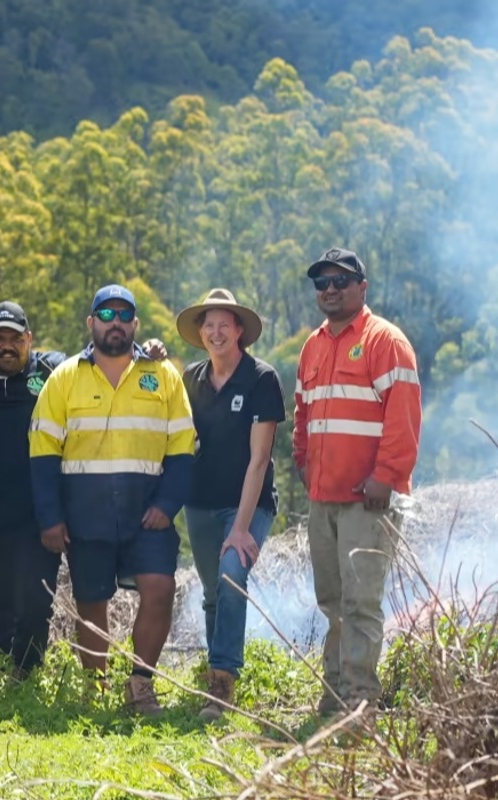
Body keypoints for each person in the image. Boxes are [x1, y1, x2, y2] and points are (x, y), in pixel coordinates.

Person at [29, 284, 195, 717]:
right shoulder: (64, 377)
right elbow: (43, 452)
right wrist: (50, 518)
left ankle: (141, 687)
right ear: (91, 323)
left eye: (124, 315)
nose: (115, 322)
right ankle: (95, 691)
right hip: (86, 513)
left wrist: (168, 505)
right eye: (106, 314)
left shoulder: (162, 375)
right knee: (91, 600)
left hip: (148, 512)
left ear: (136, 325)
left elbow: (182, 448)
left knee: (161, 589)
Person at [293, 248, 421, 720]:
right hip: (322, 498)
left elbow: (404, 416)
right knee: (332, 602)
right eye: (321, 283)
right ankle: (335, 697)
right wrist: (303, 461)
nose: (329, 290)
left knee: (360, 601)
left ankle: (360, 701)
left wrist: (385, 478)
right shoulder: (313, 345)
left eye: (340, 281)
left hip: (367, 502)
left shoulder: (385, 340)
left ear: (361, 287)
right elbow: (303, 413)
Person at [176, 289, 284, 720]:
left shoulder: (261, 379)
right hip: (200, 503)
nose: (216, 332)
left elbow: (259, 460)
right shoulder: (190, 379)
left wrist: (240, 529)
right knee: (212, 591)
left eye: (224, 324)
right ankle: (214, 677)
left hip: (249, 504)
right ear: (200, 333)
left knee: (232, 575)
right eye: (208, 325)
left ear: (240, 330)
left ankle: (222, 682)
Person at [0, 302, 65, 678]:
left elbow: (99, 359)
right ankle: (5, 667)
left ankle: (28, 671)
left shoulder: (52, 370)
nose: (7, 346)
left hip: (39, 512)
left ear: (29, 339)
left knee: (36, 600)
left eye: (15, 338)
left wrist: (142, 349)